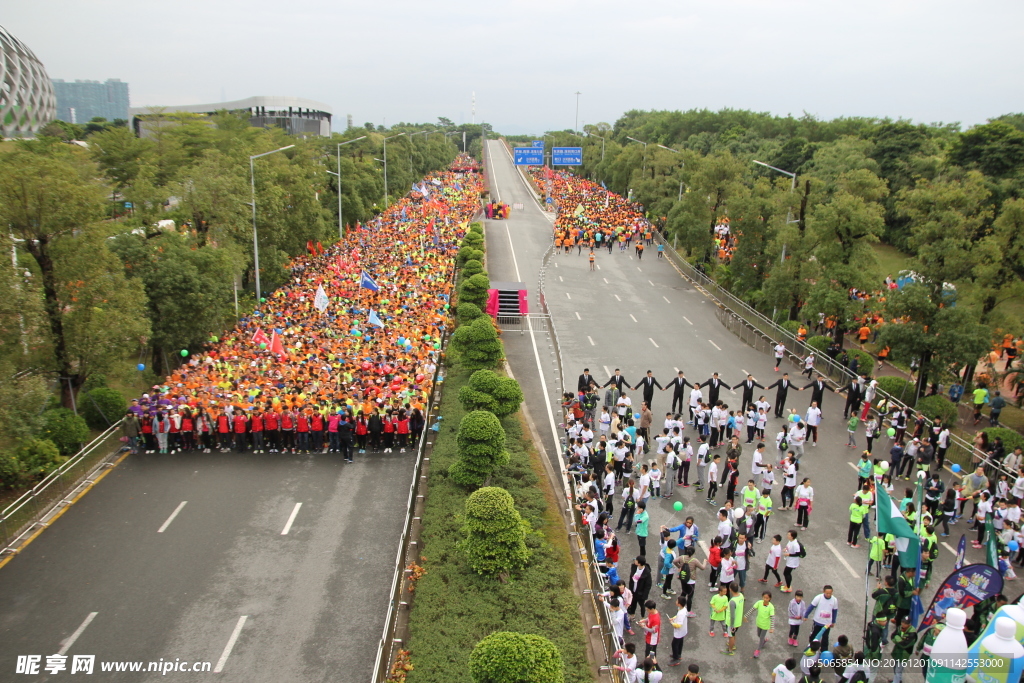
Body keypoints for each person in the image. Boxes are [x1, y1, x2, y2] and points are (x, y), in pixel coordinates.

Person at [804, 585, 838, 651]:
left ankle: (824, 651)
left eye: (830, 593)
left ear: (832, 592)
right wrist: (806, 615)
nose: (828, 595)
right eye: (827, 593)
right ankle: (811, 647)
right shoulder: (818, 598)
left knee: (825, 638)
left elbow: (835, 611)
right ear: (823, 592)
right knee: (814, 635)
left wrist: (833, 622)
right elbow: (811, 607)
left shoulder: (834, 600)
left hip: (827, 623)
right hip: (817, 621)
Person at [744, 590, 776, 658]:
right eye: (764, 597)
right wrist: (746, 616)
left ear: (770, 598)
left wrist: (772, 628)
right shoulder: (759, 603)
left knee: (761, 637)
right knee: (759, 635)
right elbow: (752, 609)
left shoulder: (771, 607)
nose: (765, 599)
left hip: (765, 625)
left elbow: (772, 618)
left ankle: (758, 650)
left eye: (767, 598)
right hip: (759, 623)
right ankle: (763, 641)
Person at [890, 618, 917, 683]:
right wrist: (899, 641)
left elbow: (904, 645)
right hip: (897, 651)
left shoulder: (912, 634)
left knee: (898, 669)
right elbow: (892, 636)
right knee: (896, 667)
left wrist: (897, 638)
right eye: (902, 622)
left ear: (909, 624)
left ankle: (896, 681)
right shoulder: (899, 628)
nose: (903, 624)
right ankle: (898, 680)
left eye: (905, 623)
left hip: (904, 653)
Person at [668, 595, 688, 666]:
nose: (676, 601)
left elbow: (679, 624)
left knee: (674, 644)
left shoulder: (681, 613)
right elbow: (677, 617)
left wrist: (672, 623)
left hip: (679, 631)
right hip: (683, 630)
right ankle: (678, 654)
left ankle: (676, 658)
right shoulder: (683, 609)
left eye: (677, 601)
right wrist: (673, 618)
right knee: (680, 642)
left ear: (679, 604)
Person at [725, 582, 745, 655]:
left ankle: (730, 650)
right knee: (733, 634)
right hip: (738, 620)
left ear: (730, 589)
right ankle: (732, 645)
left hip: (732, 622)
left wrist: (732, 625)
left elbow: (732, 615)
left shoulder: (732, 602)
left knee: (731, 636)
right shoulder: (741, 596)